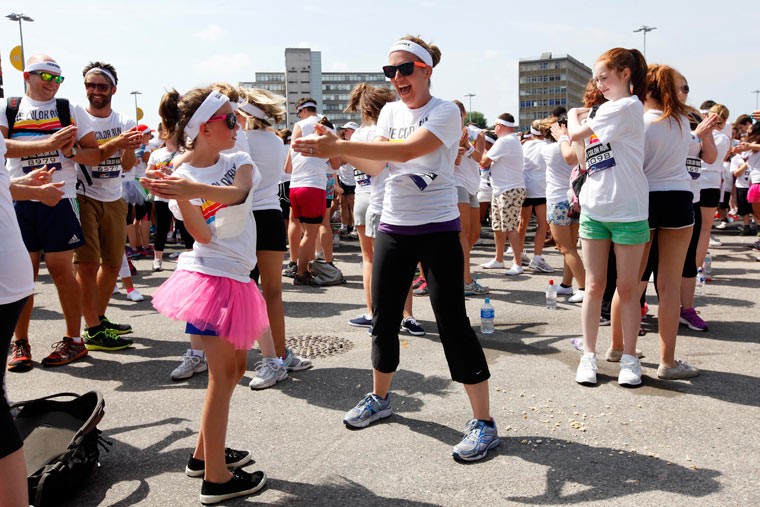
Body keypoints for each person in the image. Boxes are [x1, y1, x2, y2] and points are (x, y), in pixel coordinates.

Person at [293, 35, 497, 462]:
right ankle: (380, 398)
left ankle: (484, 422)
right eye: (391, 71)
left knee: (452, 322)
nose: (397, 78)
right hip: (394, 227)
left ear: (426, 69)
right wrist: (338, 155)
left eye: (405, 69)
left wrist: (342, 146)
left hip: (439, 227)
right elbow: (379, 164)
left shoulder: (444, 113)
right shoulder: (387, 111)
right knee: (383, 318)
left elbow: (407, 150)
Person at [141, 88, 267, 503]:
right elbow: (199, 234)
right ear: (205, 127)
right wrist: (184, 194)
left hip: (239, 277)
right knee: (220, 377)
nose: (238, 125)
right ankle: (216, 479)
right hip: (209, 279)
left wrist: (189, 189)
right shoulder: (176, 174)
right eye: (231, 119)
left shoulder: (236, 159)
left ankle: (201, 455)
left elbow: (241, 194)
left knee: (234, 371)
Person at [2, 55, 96, 372]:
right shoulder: (10, 107)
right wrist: (50, 142)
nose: (52, 83)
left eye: (58, 78)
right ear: (27, 75)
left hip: (59, 197)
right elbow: (3, 147)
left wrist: (69, 152)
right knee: (21, 275)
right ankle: (20, 343)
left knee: (60, 271)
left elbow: (94, 154)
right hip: (17, 195)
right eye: (45, 76)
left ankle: (74, 340)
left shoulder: (70, 109)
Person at [568, 47, 650, 386]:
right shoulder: (604, 112)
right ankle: (588, 355)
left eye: (604, 77)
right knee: (594, 286)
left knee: (628, 289)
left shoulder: (628, 106)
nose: (599, 84)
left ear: (625, 74)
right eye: (596, 79)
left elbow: (574, 134)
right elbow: (583, 158)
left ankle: (629, 358)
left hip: (629, 210)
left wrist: (574, 115)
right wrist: (584, 124)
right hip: (595, 209)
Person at [237, 87, 312, 389]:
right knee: (272, 292)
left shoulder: (240, 139)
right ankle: (279, 354)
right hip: (269, 216)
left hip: (245, 218)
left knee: (242, 290)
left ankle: (247, 357)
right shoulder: (274, 139)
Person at [630, 64, 699, 379]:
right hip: (679, 199)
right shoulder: (683, 122)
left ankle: (622, 349)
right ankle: (667, 362)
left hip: (645, 199)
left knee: (632, 283)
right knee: (669, 287)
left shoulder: (638, 123)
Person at [73, 62, 144, 360]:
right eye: (90, 85)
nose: (95, 92)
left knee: (114, 265)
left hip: (115, 197)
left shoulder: (125, 120)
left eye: (101, 87)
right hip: (83, 194)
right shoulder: (78, 119)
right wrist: (118, 142)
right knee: (87, 265)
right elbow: (86, 158)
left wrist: (132, 146)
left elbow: (127, 166)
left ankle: (98, 320)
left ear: (113, 89)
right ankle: (89, 327)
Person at [344, 82, 425, 336]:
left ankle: (373, 313)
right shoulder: (395, 128)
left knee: (370, 260)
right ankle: (407, 316)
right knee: (404, 262)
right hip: (394, 197)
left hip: (365, 197)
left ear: (363, 109)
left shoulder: (357, 134)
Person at [544, 119, 585, 303]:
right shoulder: (577, 146)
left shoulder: (548, 150)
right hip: (574, 201)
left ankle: (584, 287)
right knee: (572, 247)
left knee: (565, 248)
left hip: (556, 201)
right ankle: (567, 284)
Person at [480, 113, 527, 276]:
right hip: (504, 188)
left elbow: (484, 162)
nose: (495, 129)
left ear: (500, 126)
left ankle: (517, 263)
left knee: (509, 227)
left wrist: (481, 147)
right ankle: (499, 259)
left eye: (496, 127)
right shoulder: (511, 140)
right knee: (499, 226)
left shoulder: (504, 141)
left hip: (508, 189)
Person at [452, 100, 489, 294]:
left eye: (458, 114)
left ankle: (459, 271)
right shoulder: (446, 132)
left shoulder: (476, 134)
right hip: (456, 185)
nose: (455, 118)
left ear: (464, 114)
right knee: (463, 234)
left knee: (474, 234)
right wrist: (458, 148)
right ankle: (466, 280)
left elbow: (481, 159)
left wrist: (467, 145)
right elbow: (453, 163)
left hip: (474, 186)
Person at [694, 104, 731, 274]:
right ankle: (697, 266)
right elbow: (723, 157)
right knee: (705, 230)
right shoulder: (724, 139)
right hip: (712, 184)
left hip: (695, 181)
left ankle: (685, 265)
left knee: (690, 228)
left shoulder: (698, 135)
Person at [518, 118, 554, 274]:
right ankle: (537, 257)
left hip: (525, 186)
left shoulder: (525, 145)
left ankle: (518, 256)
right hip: (541, 188)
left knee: (522, 223)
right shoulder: (548, 146)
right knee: (542, 225)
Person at [337, 122, 358, 236]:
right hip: (343, 178)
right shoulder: (343, 144)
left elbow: (343, 160)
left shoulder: (355, 144)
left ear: (354, 131)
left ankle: (355, 227)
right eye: (344, 130)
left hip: (353, 179)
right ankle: (344, 226)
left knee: (352, 204)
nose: (345, 132)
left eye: (348, 130)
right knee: (343, 203)